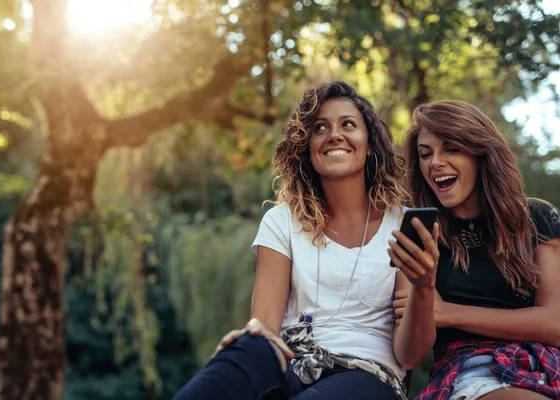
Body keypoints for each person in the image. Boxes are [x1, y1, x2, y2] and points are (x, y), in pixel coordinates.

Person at [173, 81, 438, 400]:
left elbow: (409, 356)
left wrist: (424, 286)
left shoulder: (403, 225)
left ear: (369, 145)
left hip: (366, 375)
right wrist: (251, 338)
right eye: (320, 128)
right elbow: (265, 324)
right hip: (290, 363)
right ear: (307, 148)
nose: (334, 135)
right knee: (246, 350)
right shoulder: (281, 221)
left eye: (348, 125)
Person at [391, 100, 560, 400]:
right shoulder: (420, 233)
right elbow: (408, 356)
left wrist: (448, 313)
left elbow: (555, 323)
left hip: (547, 363)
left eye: (451, 149)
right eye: (425, 154)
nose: (435, 162)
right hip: (470, 369)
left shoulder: (536, 218)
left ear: (482, 153)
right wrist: (424, 287)